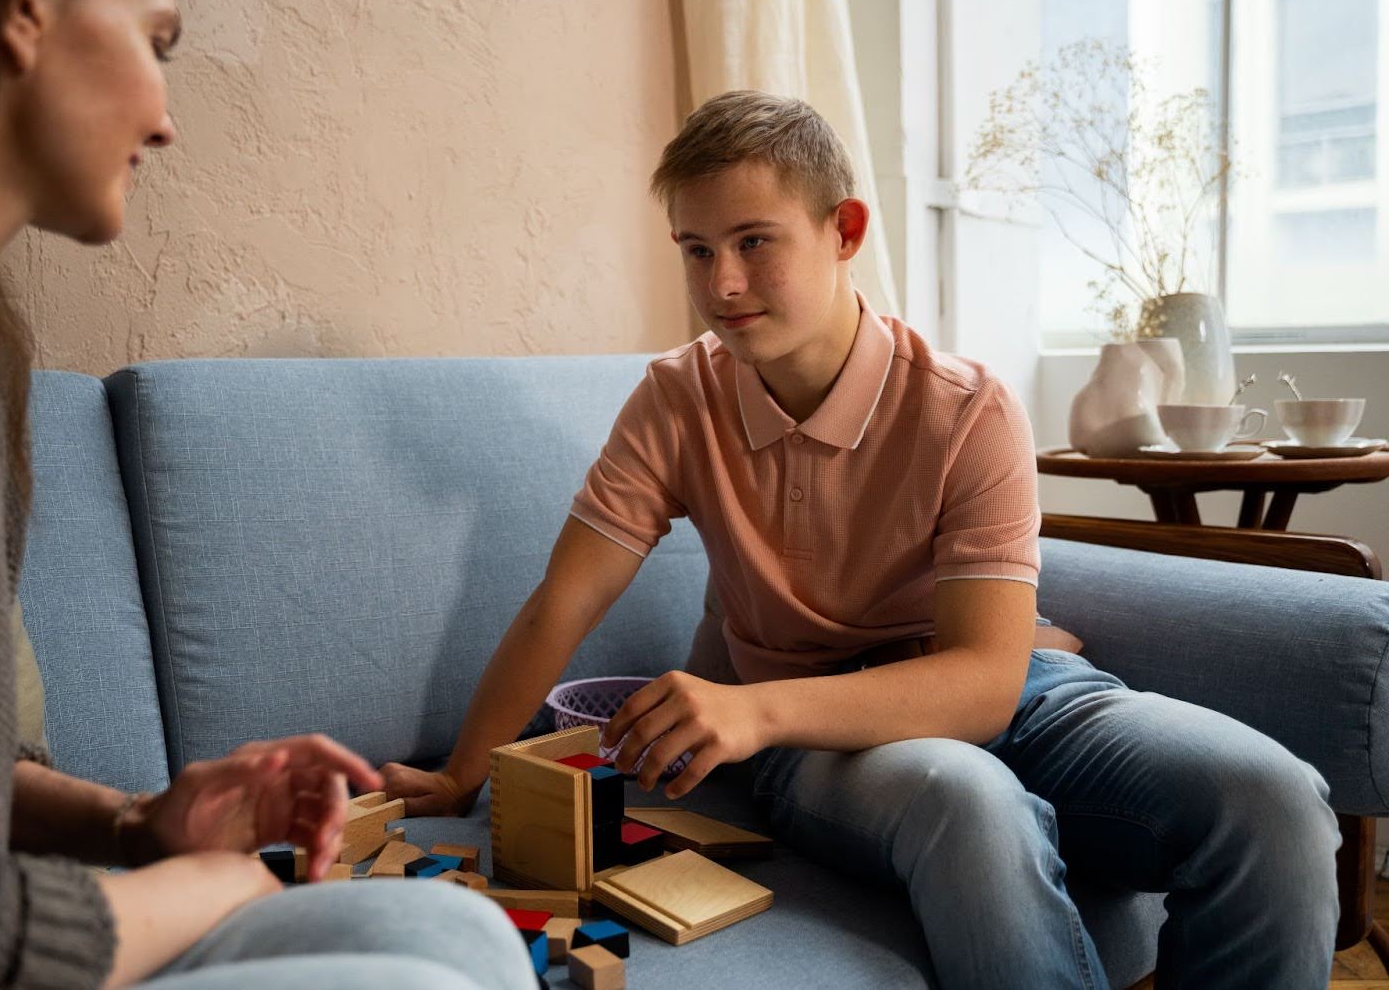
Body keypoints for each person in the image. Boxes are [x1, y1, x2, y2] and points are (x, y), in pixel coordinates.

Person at [383, 90, 1341, 989]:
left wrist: (743, 712)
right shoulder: (678, 400)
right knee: (966, 801)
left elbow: (985, 682)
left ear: (844, 231)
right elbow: (565, 599)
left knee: (1276, 800)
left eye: (755, 242)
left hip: (1016, 691)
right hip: (816, 730)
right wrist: (465, 774)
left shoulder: (967, 408)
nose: (722, 283)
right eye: (695, 248)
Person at [0, 0, 534, 988]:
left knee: (463, 937)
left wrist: (144, 823)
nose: (165, 118)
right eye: (156, 40)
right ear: (20, 3)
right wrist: (220, 885)